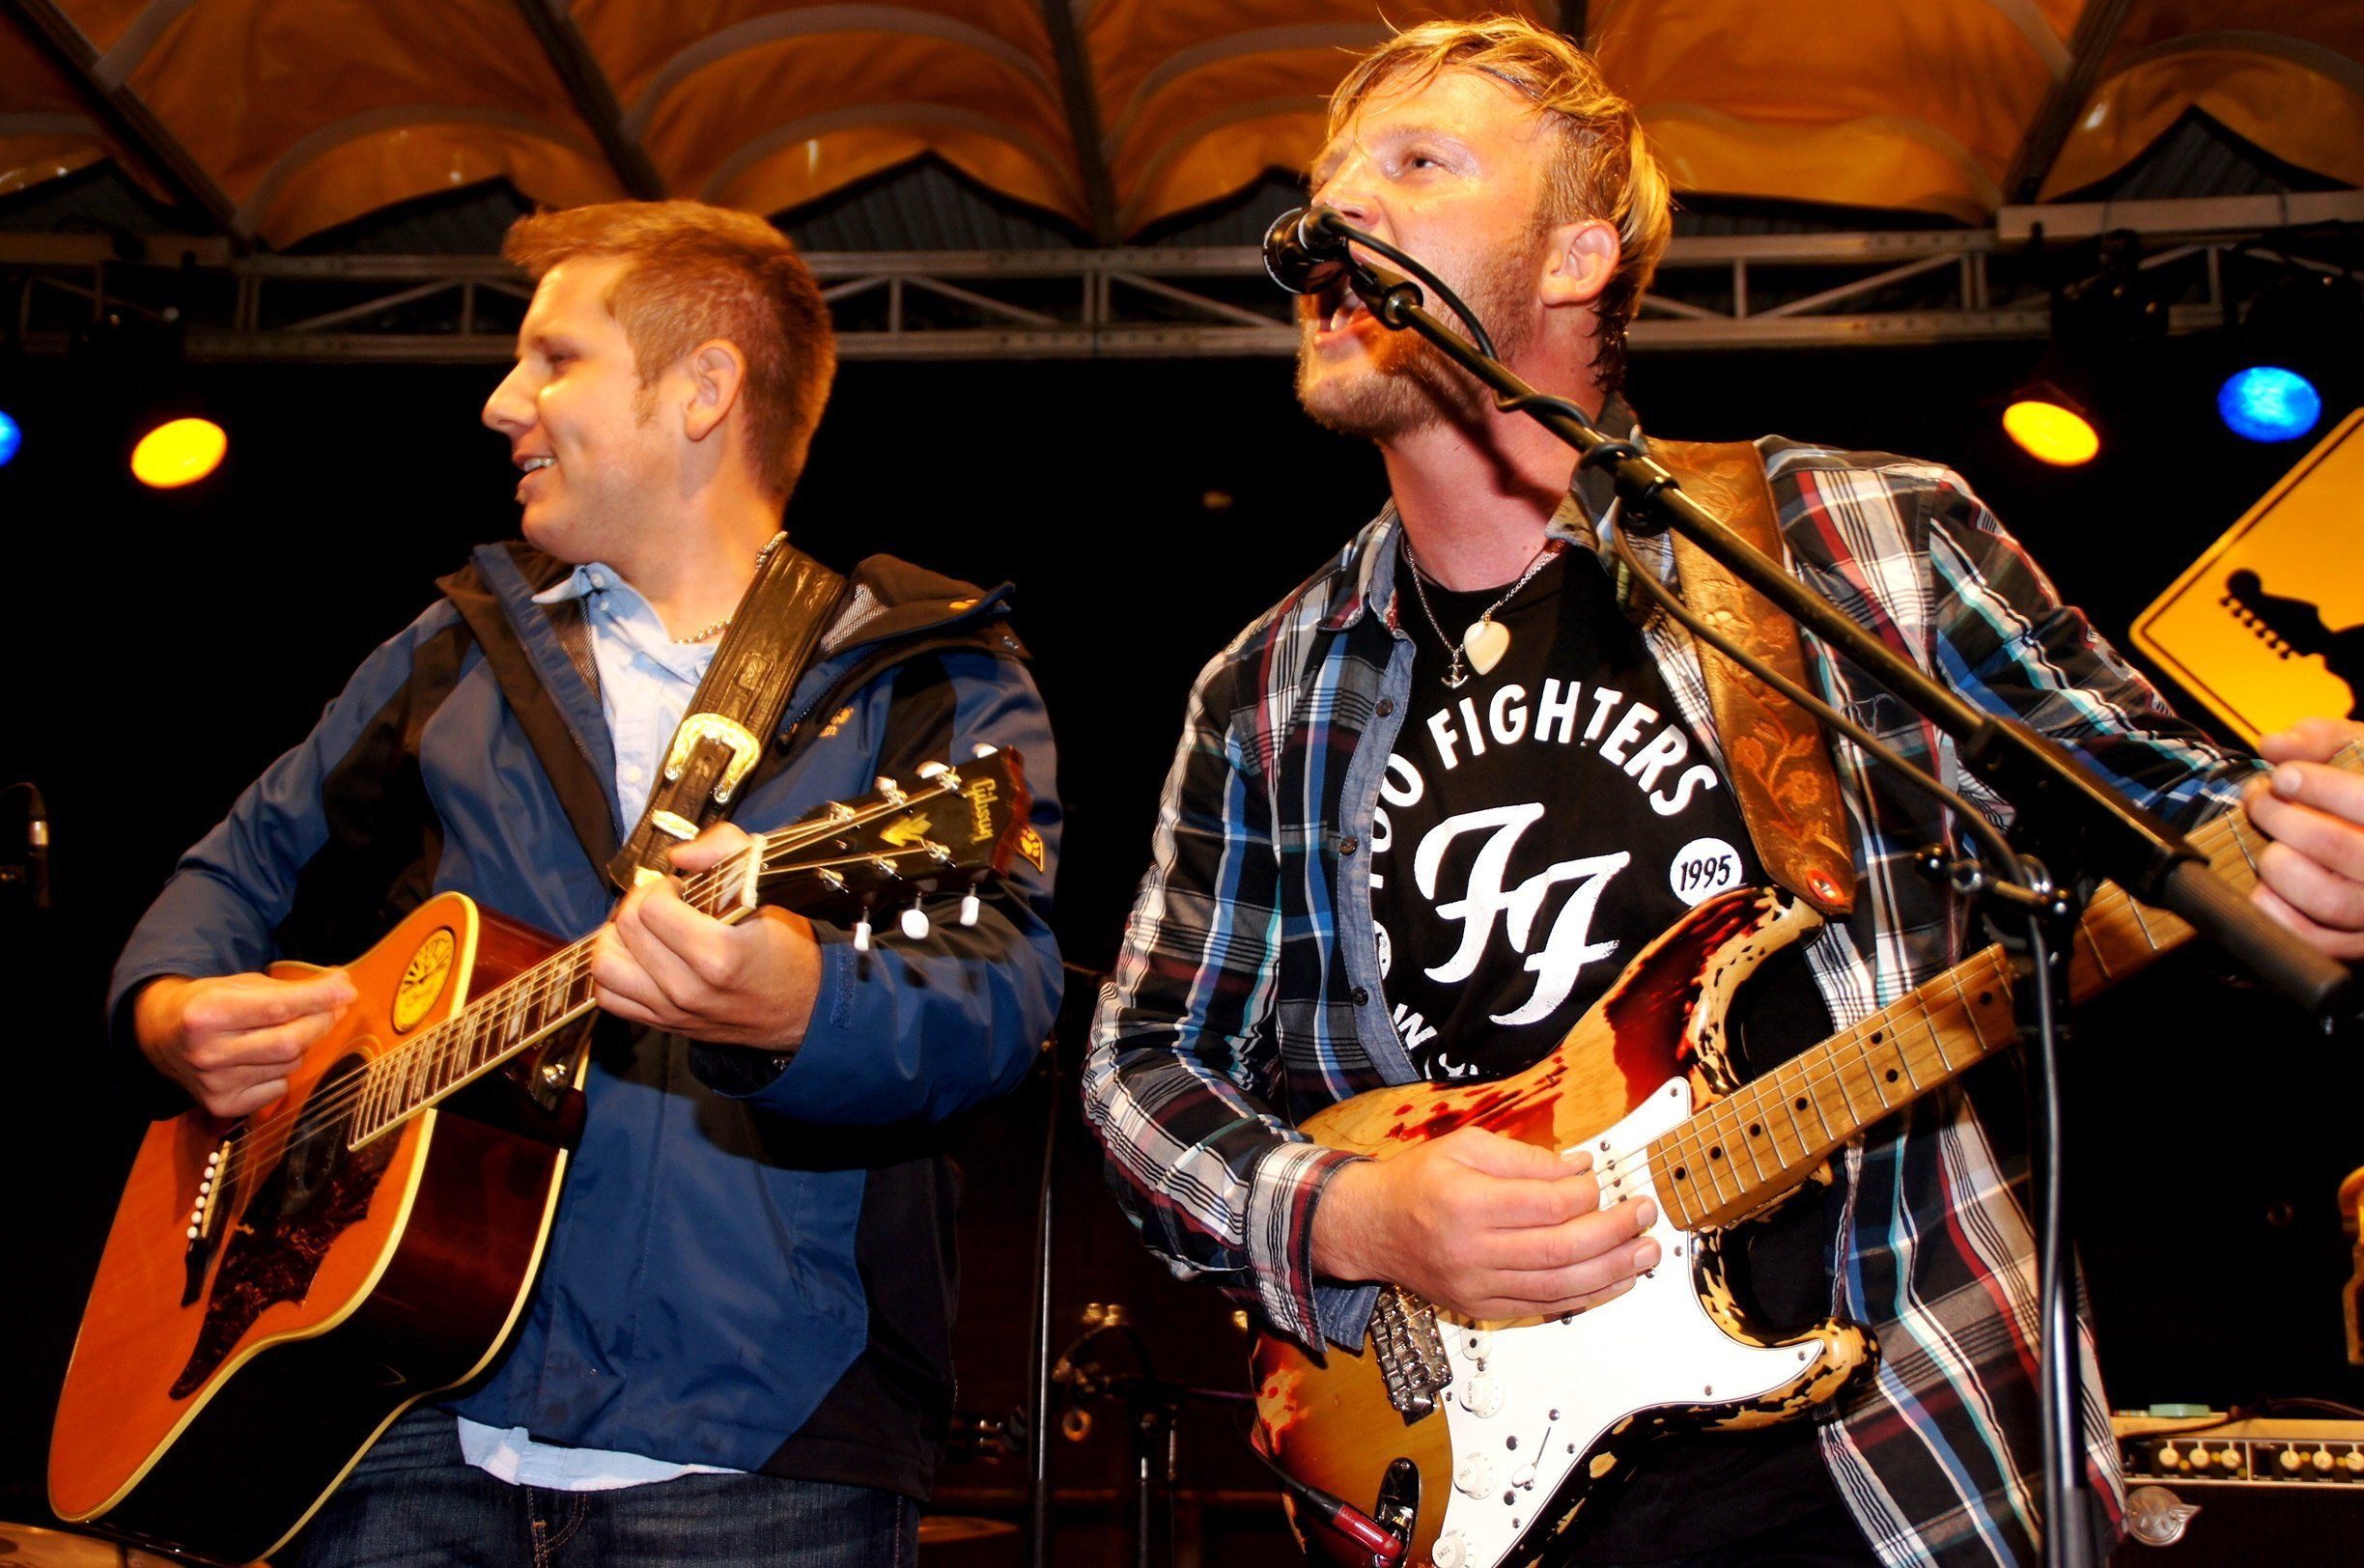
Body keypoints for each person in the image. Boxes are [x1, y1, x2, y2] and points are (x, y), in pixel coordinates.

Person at [1083, 18, 2364, 1568]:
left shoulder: (1855, 540)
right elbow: (1140, 1069)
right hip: (1480, 1489)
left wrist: (2315, 855)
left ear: (1577, 258)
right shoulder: (1271, 688)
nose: (1339, 202)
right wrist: (1356, 1219)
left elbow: (2181, 820)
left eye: (1418, 162)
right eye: (1330, 172)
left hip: (1893, 1466)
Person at [111, 201, 1062, 1567]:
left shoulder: (927, 673)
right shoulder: (453, 649)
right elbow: (234, 865)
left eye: (554, 359)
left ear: (704, 388)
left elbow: (1005, 1000)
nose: (503, 403)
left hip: (757, 1449)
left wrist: (798, 1005)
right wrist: (169, 1009)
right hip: (391, 1425)